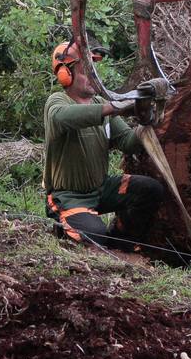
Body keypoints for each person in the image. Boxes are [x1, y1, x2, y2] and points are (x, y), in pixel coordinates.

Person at [42, 38, 165, 253]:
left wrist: (148, 121)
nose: (93, 77)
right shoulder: (57, 101)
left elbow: (128, 142)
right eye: (85, 70)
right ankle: (68, 228)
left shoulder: (100, 104)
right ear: (65, 74)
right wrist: (115, 107)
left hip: (101, 189)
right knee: (95, 236)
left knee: (150, 189)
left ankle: (121, 242)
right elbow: (62, 118)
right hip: (68, 196)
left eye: (93, 70)